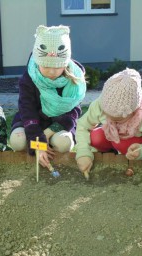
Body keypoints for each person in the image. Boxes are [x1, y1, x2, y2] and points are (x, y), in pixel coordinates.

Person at [9, 25, 86, 169]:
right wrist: (38, 141)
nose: (51, 72)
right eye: (46, 67)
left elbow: (73, 112)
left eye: (57, 67)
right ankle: (38, 148)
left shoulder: (75, 80)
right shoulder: (28, 78)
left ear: (65, 63)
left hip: (59, 124)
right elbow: (27, 110)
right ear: (38, 62)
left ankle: (50, 149)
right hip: (32, 122)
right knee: (17, 142)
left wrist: (47, 133)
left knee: (64, 144)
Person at [75, 68, 142, 176]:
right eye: (107, 114)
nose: (109, 118)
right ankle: (111, 152)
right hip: (115, 136)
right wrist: (83, 152)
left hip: (140, 142)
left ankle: (124, 154)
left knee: (122, 144)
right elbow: (83, 125)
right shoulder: (103, 103)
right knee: (96, 138)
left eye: (117, 119)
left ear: (133, 112)